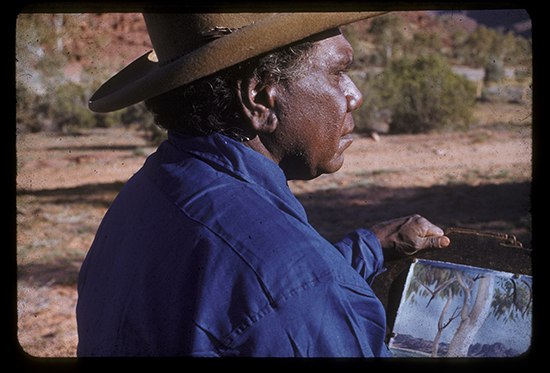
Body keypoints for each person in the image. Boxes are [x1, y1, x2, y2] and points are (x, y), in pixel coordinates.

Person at [77, 12, 450, 357]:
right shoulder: (303, 289)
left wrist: (369, 246)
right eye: (338, 72)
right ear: (259, 98)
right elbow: (280, 294)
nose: (354, 95)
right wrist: (321, 276)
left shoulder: (151, 189)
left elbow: (235, 294)